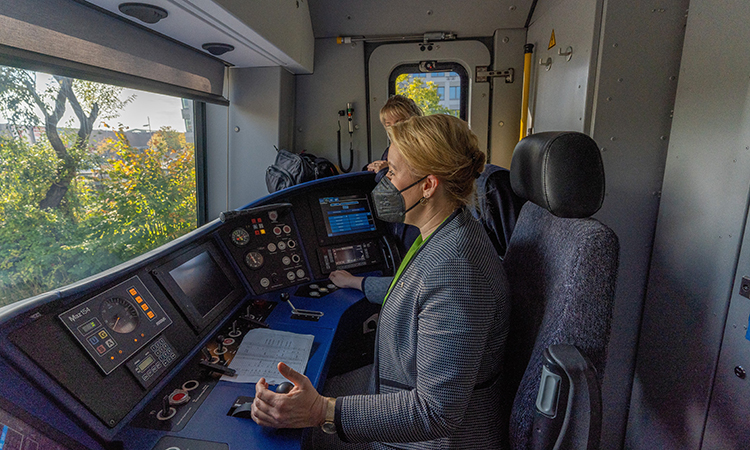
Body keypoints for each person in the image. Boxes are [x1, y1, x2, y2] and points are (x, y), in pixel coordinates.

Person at [251, 114, 510, 450]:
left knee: (281, 434)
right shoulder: (446, 232)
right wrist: (357, 283)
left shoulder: (457, 270)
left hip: (433, 439)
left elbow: (435, 412)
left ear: (428, 185)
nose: (384, 180)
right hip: (397, 385)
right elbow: (415, 289)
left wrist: (322, 411)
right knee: (318, 383)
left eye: (393, 171)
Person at [365, 94, 423, 182]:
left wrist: (385, 172)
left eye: (399, 123)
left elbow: (398, 190)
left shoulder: (422, 149)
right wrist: (373, 167)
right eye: (388, 125)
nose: (393, 129)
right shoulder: (390, 150)